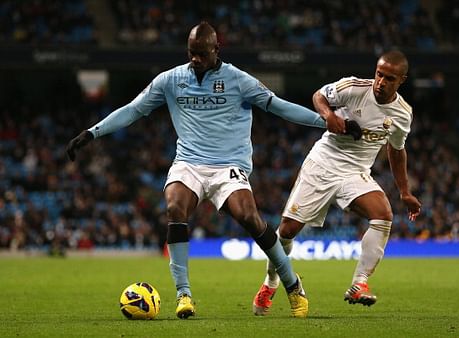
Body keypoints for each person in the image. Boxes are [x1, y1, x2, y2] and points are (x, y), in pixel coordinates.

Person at [66, 22, 360, 319]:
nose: (196, 59)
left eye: (202, 53)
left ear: (216, 50)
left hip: (228, 166)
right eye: (191, 53)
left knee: (249, 217)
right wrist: (93, 133)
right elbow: (133, 109)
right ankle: (184, 295)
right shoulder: (171, 80)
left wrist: (327, 122)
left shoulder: (238, 80)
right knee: (175, 208)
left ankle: (292, 284)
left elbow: (279, 107)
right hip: (189, 163)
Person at [252, 50, 422, 315]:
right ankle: (271, 282)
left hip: (355, 173)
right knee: (287, 230)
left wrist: (404, 191)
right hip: (323, 164)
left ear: (402, 80)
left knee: (383, 214)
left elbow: (396, 149)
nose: (381, 82)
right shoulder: (353, 87)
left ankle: (359, 283)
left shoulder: (402, 114)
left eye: (389, 78)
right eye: (379, 74)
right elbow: (319, 96)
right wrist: (329, 116)